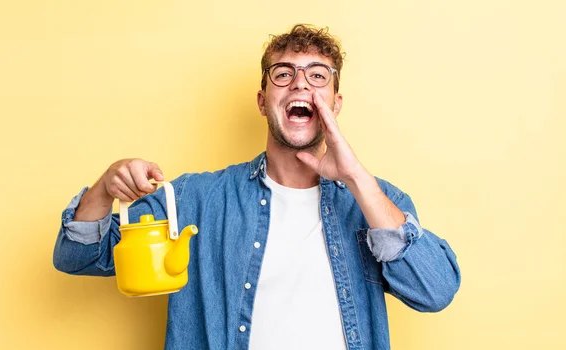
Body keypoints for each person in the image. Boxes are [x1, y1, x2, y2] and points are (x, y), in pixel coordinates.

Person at [53, 24, 461, 350]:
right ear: (263, 101)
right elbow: (77, 256)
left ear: (335, 104)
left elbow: (436, 291)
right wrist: (105, 187)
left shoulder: (378, 203)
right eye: (284, 74)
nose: (301, 84)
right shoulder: (196, 200)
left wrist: (356, 178)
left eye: (318, 76)